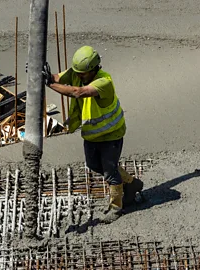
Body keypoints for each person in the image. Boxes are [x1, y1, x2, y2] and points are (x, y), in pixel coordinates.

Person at [43, 45, 144, 223]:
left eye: (82, 74)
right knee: (93, 164)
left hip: (111, 135)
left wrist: (50, 84)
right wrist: (47, 76)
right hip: (91, 135)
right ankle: (131, 182)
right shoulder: (79, 72)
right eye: (78, 73)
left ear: (93, 69)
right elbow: (60, 77)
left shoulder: (104, 82)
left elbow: (78, 92)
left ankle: (116, 208)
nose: (79, 77)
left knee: (110, 171)